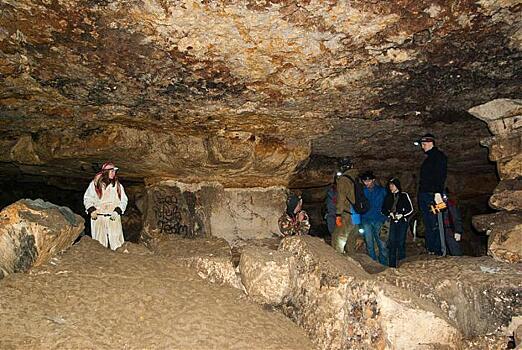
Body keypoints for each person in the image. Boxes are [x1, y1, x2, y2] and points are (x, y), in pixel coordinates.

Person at [84, 162, 128, 250]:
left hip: (113, 216)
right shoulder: (95, 185)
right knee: (99, 243)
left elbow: (123, 200)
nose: (113, 173)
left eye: (114, 171)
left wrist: (117, 211)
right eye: (111, 171)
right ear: (105, 172)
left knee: (117, 242)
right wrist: (91, 210)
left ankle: (119, 260)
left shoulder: (117, 186)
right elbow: (88, 198)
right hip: (98, 217)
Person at [417, 133, 447, 256]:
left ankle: (439, 249)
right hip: (425, 194)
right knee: (428, 222)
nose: (422, 147)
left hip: (432, 195)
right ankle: (431, 249)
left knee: (435, 221)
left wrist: (437, 193)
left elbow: (440, 175)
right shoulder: (429, 159)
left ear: (430, 143)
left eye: (424, 144)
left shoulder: (439, 157)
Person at [382, 177, 413, 268]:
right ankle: (392, 266)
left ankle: (402, 264)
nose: (390, 187)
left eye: (392, 185)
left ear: (397, 186)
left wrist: (402, 215)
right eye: (390, 185)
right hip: (392, 222)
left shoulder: (404, 195)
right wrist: (389, 214)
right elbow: (383, 209)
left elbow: (410, 209)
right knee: (391, 243)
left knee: (401, 243)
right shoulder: (388, 197)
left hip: (402, 223)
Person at [359, 171, 387, 264]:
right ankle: (373, 263)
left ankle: (383, 263)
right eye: (365, 181)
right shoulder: (362, 192)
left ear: (373, 180)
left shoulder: (382, 191)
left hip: (379, 219)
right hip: (366, 219)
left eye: (369, 181)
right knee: (369, 243)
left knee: (382, 243)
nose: (367, 183)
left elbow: (389, 203)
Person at [332, 157, 359, 254]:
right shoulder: (357, 177)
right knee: (352, 238)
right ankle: (352, 258)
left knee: (338, 237)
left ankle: (338, 261)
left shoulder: (344, 180)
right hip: (357, 213)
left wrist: (338, 214)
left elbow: (341, 198)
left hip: (347, 213)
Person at [442, 189, 463, 256]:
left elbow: (456, 218)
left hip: (449, 229)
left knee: (454, 250)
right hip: (440, 230)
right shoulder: (435, 206)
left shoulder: (450, 205)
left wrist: (458, 231)